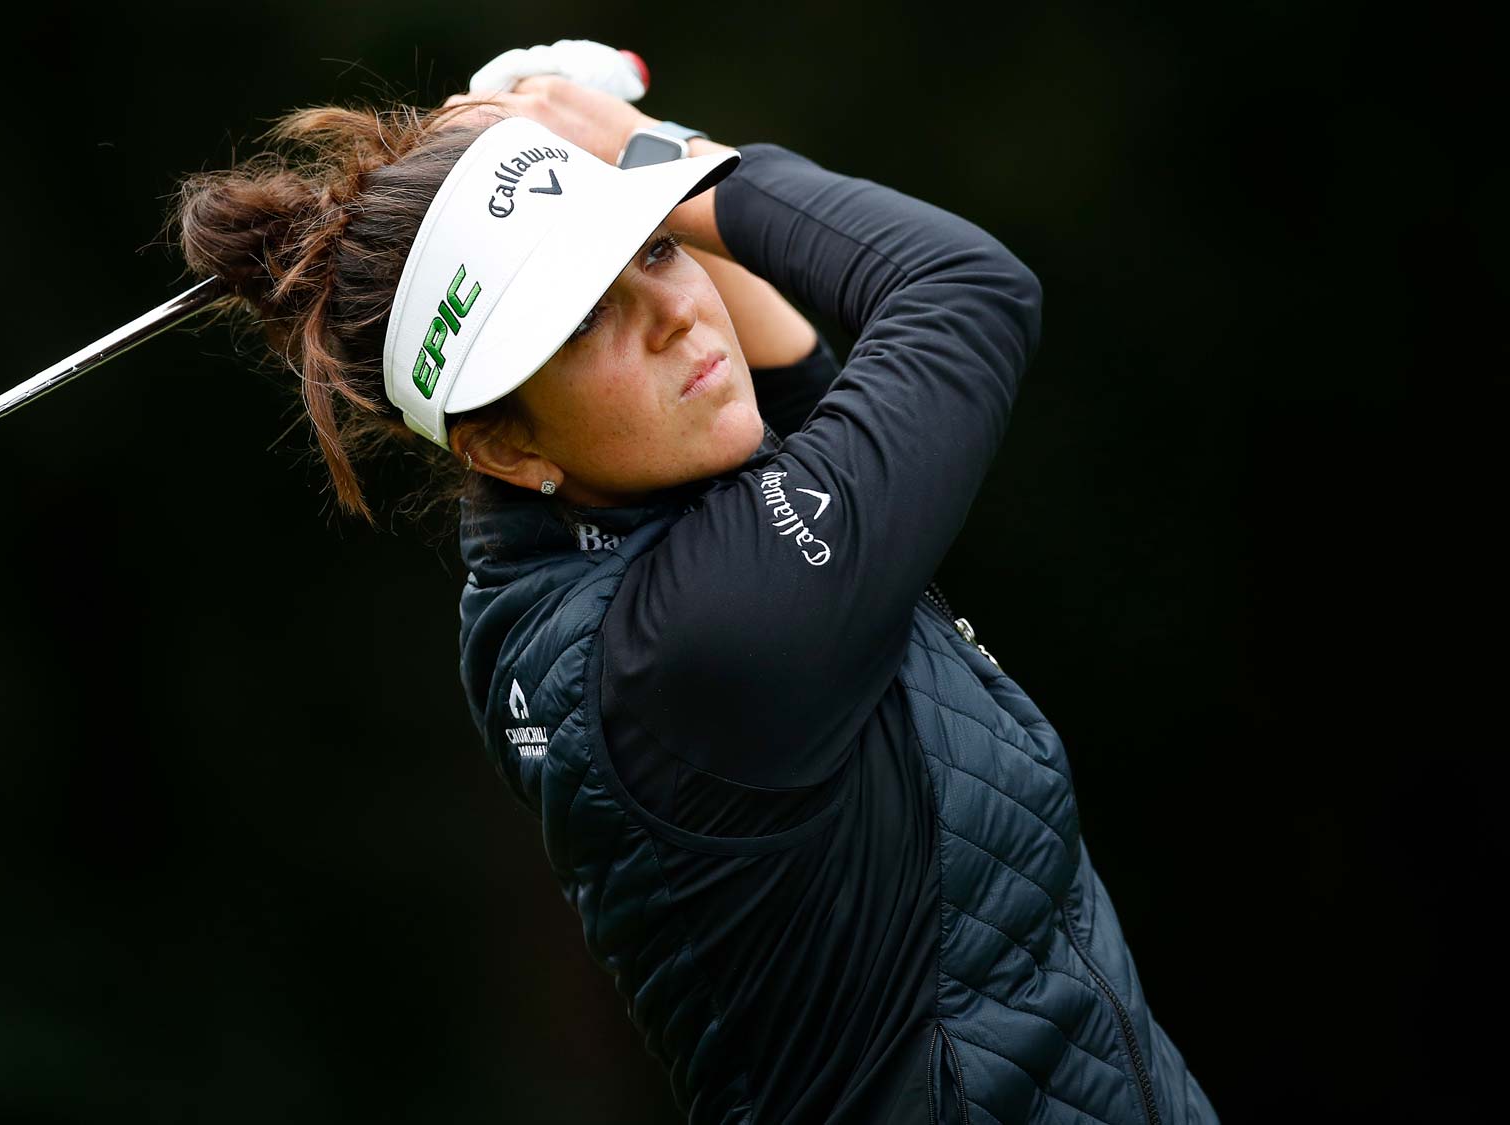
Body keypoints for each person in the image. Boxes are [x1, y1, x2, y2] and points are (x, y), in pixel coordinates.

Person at [170, 73, 1217, 1125]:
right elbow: (966, 293)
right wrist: (647, 145)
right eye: (584, 318)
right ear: (505, 445)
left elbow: (795, 378)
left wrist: (614, 169)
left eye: (656, 248)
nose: (676, 314)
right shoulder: (699, 642)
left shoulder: (606, 538)